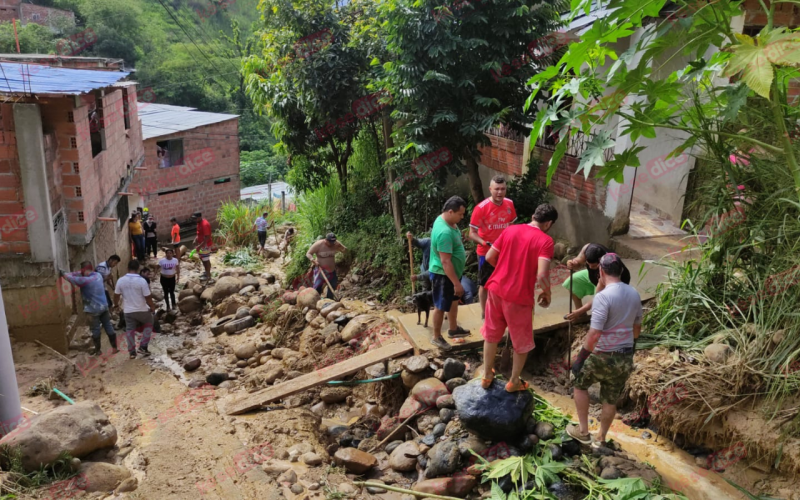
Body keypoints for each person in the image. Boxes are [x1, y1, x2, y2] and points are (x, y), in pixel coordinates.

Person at [479, 204, 558, 392]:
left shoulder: (510, 229)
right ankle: (514, 381)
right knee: (521, 342)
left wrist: (506, 268)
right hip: (519, 297)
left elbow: (490, 256)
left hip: (496, 289)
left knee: (491, 334)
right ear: (548, 224)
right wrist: (546, 293)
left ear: (533, 216)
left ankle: (486, 375)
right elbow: (542, 275)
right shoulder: (546, 241)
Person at [567, 253, 642, 446]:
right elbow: (636, 330)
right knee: (610, 398)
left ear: (601, 271)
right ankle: (601, 438)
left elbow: (594, 334)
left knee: (580, 384)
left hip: (602, 354)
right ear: (621, 271)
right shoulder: (634, 293)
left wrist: (581, 358)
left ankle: (583, 431)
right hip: (625, 356)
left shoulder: (603, 297)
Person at [469, 176, 517, 318]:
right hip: (485, 252)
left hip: (505, 251)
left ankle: (502, 309)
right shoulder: (481, 208)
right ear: (490, 189)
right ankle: (485, 312)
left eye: (502, 189)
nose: (499, 192)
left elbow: (512, 226)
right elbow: (471, 233)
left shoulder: (509, 204)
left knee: (505, 280)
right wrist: (484, 242)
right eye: (496, 189)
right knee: (485, 284)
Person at [429, 196, 470, 351]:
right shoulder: (444, 232)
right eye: (460, 214)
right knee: (440, 306)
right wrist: (457, 283)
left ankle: (453, 329)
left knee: (453, 300)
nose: (462, 217)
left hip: (452, 273)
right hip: (443, 275)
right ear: (450, 211)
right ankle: (436, 337)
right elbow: (445, 262)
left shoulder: (447, 221)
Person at [60, 261, 117, 355]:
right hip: (104, 307)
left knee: (95, 329)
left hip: (93, 310)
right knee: (108, 325)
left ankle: (98, 351)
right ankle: (115, 348)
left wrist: (63, 273)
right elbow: (78, 273)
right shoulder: (98, 275)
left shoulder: (84, 281)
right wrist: (79, 272)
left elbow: (69, 278)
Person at [563, 243, 631, 321]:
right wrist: (572, 263)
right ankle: (580, 316)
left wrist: (580, 311)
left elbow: (599, 297)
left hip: (614, 286)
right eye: (589, 265)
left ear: (601, 261)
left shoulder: (610, 266)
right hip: (595, 278)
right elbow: (578, 261)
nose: (591, 268)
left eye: (595, 266)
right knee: (573, 280)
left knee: (601, 308)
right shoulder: (587, 249)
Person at [114, 259, 156, 359]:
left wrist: (116, 305)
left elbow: (116, 295)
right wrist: (152, 307)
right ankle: (143, 346)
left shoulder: (121, 280)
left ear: (127, 268)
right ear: (138, 269)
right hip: (142, 309)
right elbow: (148, 296)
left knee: (130, 330)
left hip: (128, 311)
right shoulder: (142, 281)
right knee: (149, 324)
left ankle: (132, 352)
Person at [306, 233, 347, 299]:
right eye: (330, 242)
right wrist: (313, 260)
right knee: (317, 286)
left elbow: (345, 251)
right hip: (320, 270)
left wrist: (341, 246)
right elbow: (308, 253)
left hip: (332, 270)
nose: (332, 244)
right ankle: (315, 300)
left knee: (333, 285)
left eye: (333, 242)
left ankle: (329, 299)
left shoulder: (336, 243)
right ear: (326, 240)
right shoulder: (318, 244)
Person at [193, 212, 213, 281]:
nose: (194, 220)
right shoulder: (199, 223)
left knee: (206, 260)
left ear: (199, 217)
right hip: (202, 245)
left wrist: (199, 246)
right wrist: (196, 239)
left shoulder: (204, 224)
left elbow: (207, 237)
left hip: (205, 245)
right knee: (203, 259)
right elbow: (199, 233)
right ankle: (207, 272)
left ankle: (208, 276)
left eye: (195, 218)